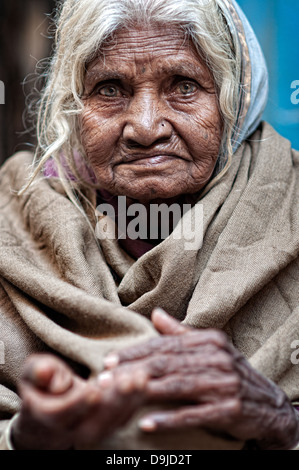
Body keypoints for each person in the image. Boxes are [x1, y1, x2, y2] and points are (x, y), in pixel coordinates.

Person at [0, 0, 298, 451]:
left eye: (183, 86)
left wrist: (280, 419)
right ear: (73, 108)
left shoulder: (290, 206)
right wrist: (24, 438)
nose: (144, 127)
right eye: (110, 89)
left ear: (235, 98)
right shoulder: (14, 216)